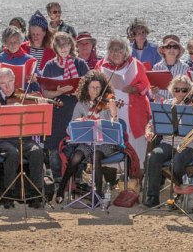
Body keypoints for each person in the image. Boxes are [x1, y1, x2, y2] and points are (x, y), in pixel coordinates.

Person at [0, 68, 46, 209]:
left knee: (37, 151)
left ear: (14, 79)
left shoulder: (23, 95)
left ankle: (35, 193)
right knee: (13, 153)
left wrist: (39, 105)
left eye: (10, 81)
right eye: (3, 83)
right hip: (1, 140)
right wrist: (3, 109)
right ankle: (8, 194)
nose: (8, 86)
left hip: (24, 139)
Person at [57, 70, 120, 203]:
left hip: (105, 143)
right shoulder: (81, 104)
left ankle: (97, 195)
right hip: (87, 141)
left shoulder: (108, 103)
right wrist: (79, 122)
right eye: (92, 87)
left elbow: (115, 128)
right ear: (87, 88)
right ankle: (61, 187)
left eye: (98, 88)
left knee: (96, 155)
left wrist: (113, 112)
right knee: (76, 157)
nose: (96, 91)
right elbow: (70, 129)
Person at [143, 75, 193, 208]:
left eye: (184, 90)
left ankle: (182, 189)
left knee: (178, 161)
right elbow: (152, 123)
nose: (180, 93)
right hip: (168, 142)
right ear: (172, 90)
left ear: (190, 91)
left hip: (189, 145)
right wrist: (149, 130)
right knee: (154, 156)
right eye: (177, 89)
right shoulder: (166, 104)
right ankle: (153, 196)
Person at [98, 37, 152, 166]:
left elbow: (146, 86)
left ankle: (136, 177)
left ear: (126, 52)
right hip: (111, 112)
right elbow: (94, 86)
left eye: (119, 50)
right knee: (113, 141)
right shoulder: (101, 65)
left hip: (133, 112)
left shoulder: (136, 64)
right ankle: (115, 177)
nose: (115, 53)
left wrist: (135, 88)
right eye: (112, 50)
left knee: (135, 144)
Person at [40, 32, 91, 152]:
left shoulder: (80, 64)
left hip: (76, 111)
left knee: (77, 150)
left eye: (66, 44)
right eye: (59, 45)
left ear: (71, 46)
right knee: (55, 152)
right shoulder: (49, 66)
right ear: (55, 47)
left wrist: (77, 91)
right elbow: (45, 93)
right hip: (56, 114)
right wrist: (59, 92)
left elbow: (91, 88)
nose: (63, 48)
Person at [0, 26, 33, 92]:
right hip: (4, 98)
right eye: (10, 42)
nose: (13, 45)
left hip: (24, 97)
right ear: (5, 43)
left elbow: (37, 86)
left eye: (16, 42)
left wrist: (34, 80)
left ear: (20, 42)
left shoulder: (30, 59)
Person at [151, 35, 190, 102]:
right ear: (163, 50)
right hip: (160, 105)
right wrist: (152, 91)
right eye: (168, 47)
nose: (172, 49)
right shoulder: (156, 67)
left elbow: (188, 90)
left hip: (178, 104)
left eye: (175, 47)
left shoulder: (185, 68)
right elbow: (152, 92)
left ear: (178, 51)